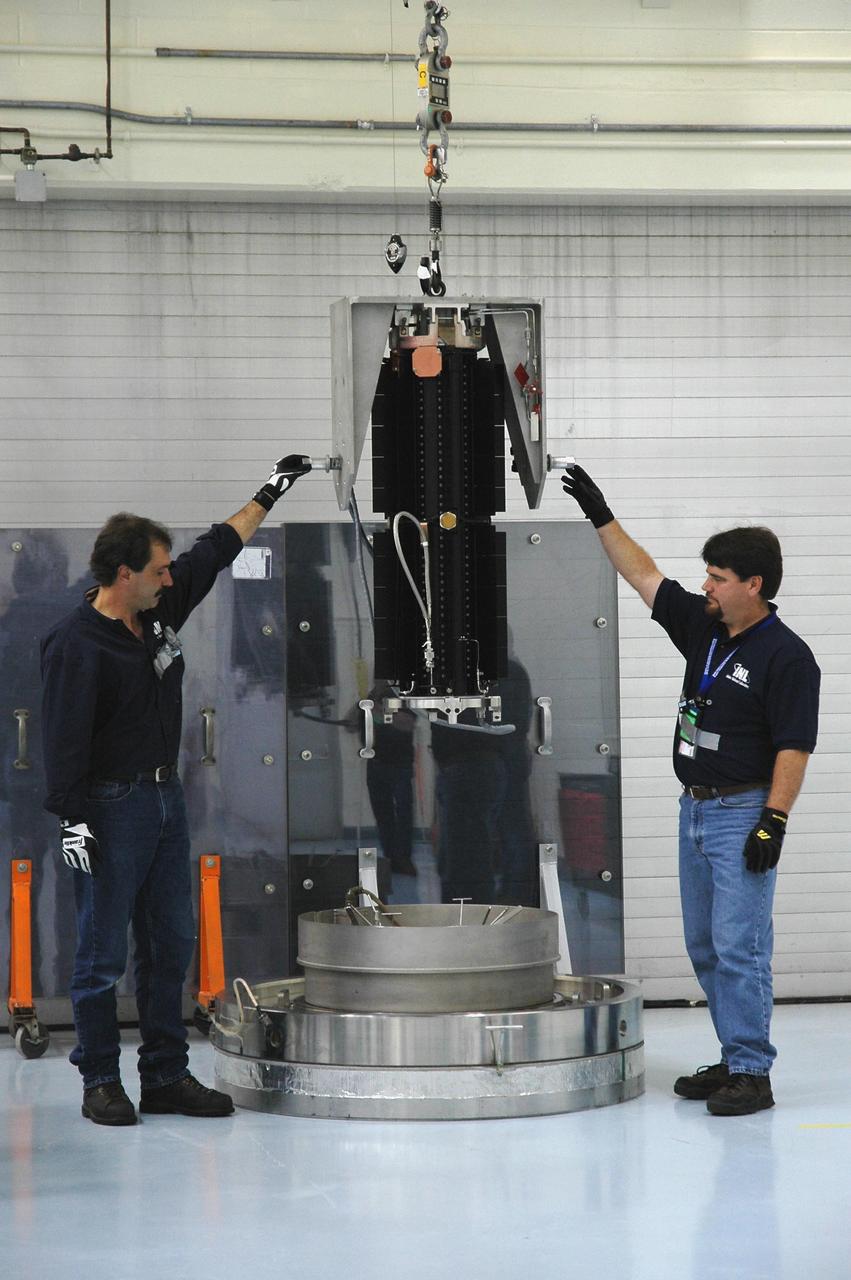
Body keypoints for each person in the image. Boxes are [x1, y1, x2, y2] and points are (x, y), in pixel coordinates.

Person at [40, 453, 312, 1126]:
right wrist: (72, 824)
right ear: (123, 575)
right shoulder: (76, 645)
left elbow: (214, 551)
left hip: (165, 805)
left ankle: (164, 1075)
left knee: (168, 944)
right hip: (107, 809)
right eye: (158, 571)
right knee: (101, 952)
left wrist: (270, 490)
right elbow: (62, 744)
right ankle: (100, 1080)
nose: (171, 578)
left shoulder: (157, 610)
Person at [563, 465, 820, 1116]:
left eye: (717, 578)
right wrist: (601, 515)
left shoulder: (786, 657)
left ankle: (752, 1074)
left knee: (740, 945)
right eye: (706, 576)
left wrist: (774, 820)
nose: (704, 586)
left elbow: (794, 745)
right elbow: (643, 574)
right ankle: (733, 1056)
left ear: (752, 585)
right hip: (695, 811)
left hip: (741, 813)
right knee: (704, 945)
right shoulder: (704, 627)